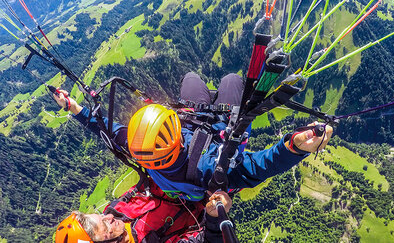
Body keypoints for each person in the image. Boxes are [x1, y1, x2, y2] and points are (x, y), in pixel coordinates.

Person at [54, 72, 333, 201]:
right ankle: (228, 93)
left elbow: (108, 128)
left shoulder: (139, 146)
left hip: (198, 121)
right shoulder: (208, 171)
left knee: (190, 79)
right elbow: (257, 168)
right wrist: (293, 148)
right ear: (177, 139)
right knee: (232, 81)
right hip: (223, 132)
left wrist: (75, 108)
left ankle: (212, 99)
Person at [55, 178, 232, 243]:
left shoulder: (116, 210)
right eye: (106, 225)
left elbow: (145, 184)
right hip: (209, 201)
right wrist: (214, 217)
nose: (109, 215)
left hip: (186, 179)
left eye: (102, 215)